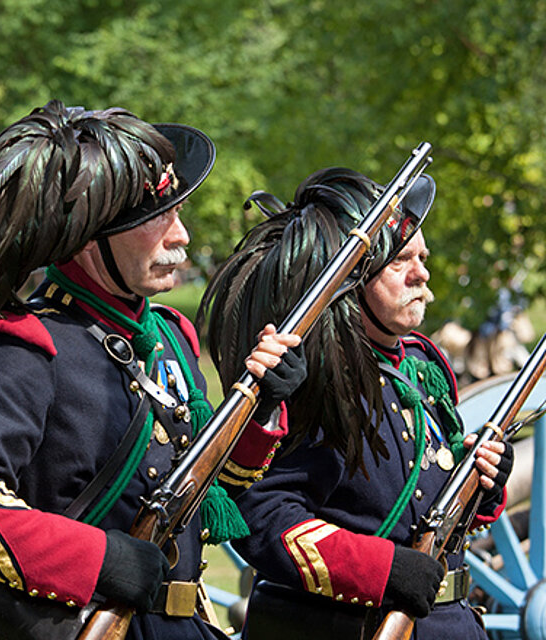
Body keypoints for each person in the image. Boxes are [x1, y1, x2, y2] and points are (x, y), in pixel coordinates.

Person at [0, 100, 305, 640]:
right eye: (157, 219)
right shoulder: (28, 346)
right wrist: (97, 558)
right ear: (91, 236)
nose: (180, 236)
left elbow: (210, 486)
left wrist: (261, 409)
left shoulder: (171, 338)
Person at [198, 169, 512, 639]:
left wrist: (484, 480)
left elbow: (428, 494)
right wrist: (382, 570)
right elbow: (260, 514)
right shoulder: (313, 377)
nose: (421, 273)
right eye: (401, 260)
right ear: (354, 277)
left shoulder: (423, 364)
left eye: (421, 257)